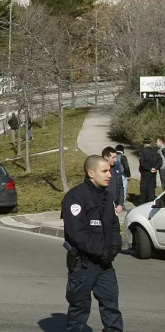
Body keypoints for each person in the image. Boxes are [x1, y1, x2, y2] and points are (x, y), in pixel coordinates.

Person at [61, 155, 123, 332]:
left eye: (109, 171)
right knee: (79, 310)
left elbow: (114, 226)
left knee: (111, 307)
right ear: (91, 173)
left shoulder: (107, 196)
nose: (109, 175)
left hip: (105, 265)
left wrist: (114, 248)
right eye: (104, 171)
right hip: (84, 265)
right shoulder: (75, 197)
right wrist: (100, 251)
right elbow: (77, 234)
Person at [138, 138, 162, 204]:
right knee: (151, 188)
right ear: (150, 144)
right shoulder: (155, 152)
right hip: (153, 173)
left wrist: (149, 169)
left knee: (144, 189)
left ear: (144, 144)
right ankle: (150, 203)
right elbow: (160, 161)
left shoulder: (142, 152)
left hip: (145, 173)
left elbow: (142, 163)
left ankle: (142, 203)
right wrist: (155, 168)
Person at [101, 146, 124, 213]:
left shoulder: (116, 168)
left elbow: (121, 187)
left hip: (115, 205)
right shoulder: (98, 170)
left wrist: (120, 204)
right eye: (113, 157)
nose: (115, 160)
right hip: (103, 205)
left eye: (116, 157)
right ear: (106, 157)